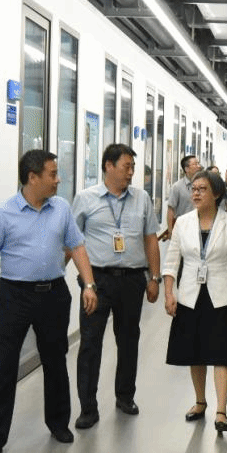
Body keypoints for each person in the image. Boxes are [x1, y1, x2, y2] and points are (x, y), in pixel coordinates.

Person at [0, 150, 97, 453]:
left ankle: (58, 424)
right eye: (53, 174)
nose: (58, 179)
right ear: (32, 177)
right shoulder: (2, 214)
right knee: (3, 366)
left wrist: (89, 285)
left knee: (55, 361)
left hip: (53, 294)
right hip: (14, 296)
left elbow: (77, 246)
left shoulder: (61, 208)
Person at [71, 143, 161, 429]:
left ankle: (125, 397)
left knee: (129, 340)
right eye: (127, 167)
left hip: (132, 280)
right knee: (90, 343)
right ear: (108, 166)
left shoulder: (141, 198)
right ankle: (88, 407)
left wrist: (154, 278)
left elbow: (150, 239)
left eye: (133, 167)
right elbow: (73, 241)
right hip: (97, 280)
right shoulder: (85, 199)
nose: (131, 173)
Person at [163, 170, 227, 434]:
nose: (196, 193)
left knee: (221, 353)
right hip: (190, 295)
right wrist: (169, 293)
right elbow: (171, 262)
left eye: (202, 189)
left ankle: (221, 410)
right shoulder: (182, 223)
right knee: (196, 352)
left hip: (222, 296)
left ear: (216, 193)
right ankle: (200, 401)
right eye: (193, 189)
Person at [163, 154, 203, 242]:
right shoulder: (177, 187)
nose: (199, 166)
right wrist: (170, 231)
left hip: (201, 228)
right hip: (183, 229)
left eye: (198, 163)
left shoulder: (204, 185)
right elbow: (171, 210)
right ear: (187, 169)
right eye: (195, 164)